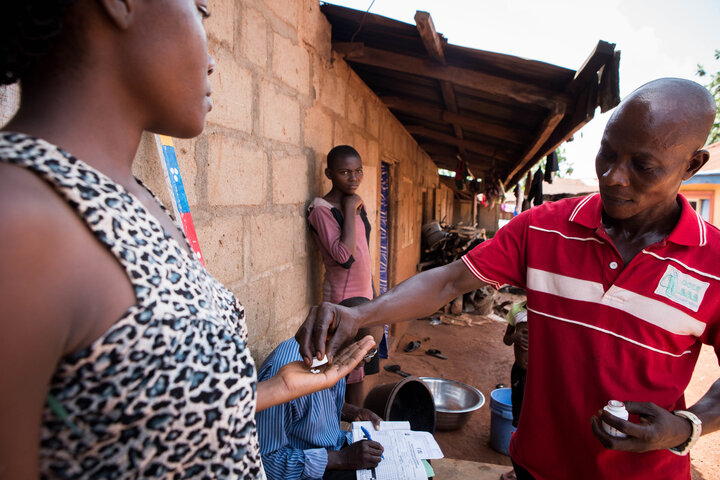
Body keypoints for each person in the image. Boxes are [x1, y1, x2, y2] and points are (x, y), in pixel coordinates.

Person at [0, 1, 374, 478]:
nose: (213, 56)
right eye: (199, 10)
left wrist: (277, 389)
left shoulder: (138, 198)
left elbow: (150, 420)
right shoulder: (20, 218)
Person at [296, 78, 720, 480]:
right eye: (607, 153)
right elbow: (446, 283)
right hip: (536, 468)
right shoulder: (543, 229)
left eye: (643, 166)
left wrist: (686, 427)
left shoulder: (714, 263)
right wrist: (361, 314)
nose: (613, 176)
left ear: (692, 164)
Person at [306, 146, 380, 405]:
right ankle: (336, 432)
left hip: (365, 299)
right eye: (345, 172)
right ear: (329, 173)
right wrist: (349, 208)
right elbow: (344, 256)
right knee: (341, 369)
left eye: (358, 171)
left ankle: (354, 428)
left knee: (360, 368)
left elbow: (364, 253)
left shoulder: (358, 204)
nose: (354, 178)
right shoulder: (321, 210)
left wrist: (375, 298)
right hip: (341, 301)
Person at [256, 334, 384, 480]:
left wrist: (352, 411)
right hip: (304, 470)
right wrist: (342, 458)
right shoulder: (282, 372)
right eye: (367, 352)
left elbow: (315, 408)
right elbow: (265, 462)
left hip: (334, 449)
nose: (367, 361)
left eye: (372, 352)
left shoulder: (337, 354)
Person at [503, 301, 528, 429]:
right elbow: (506, 339)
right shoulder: (517, 310)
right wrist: (515, 337)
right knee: (518, 411)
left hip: (540, 373)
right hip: (519, 370)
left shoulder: (547, 313)